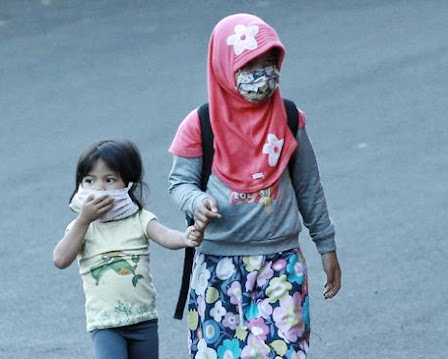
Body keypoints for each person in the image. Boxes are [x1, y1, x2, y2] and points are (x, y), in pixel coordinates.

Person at [168, 14, 342, 358]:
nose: (262, 74)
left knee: (284, 350)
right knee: (218, 351)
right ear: (223, 66)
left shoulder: (290, 119)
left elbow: (309, 187)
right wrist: (196, 202)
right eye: (250, 64)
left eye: (269, 62)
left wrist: (326, 244)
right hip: (218, 265)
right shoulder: (200, 125)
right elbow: (180, 183)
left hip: (281, 262)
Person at [53, 139, 203, 359]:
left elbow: (163, 235)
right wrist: (83, 220)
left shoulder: (139, 219)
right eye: (89, 180)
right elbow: (60, 259)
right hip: (105, 323)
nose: (99, 188)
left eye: (110, 179)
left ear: (129, 183)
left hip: (143, 319)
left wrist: (185, 238)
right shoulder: (82, 227)